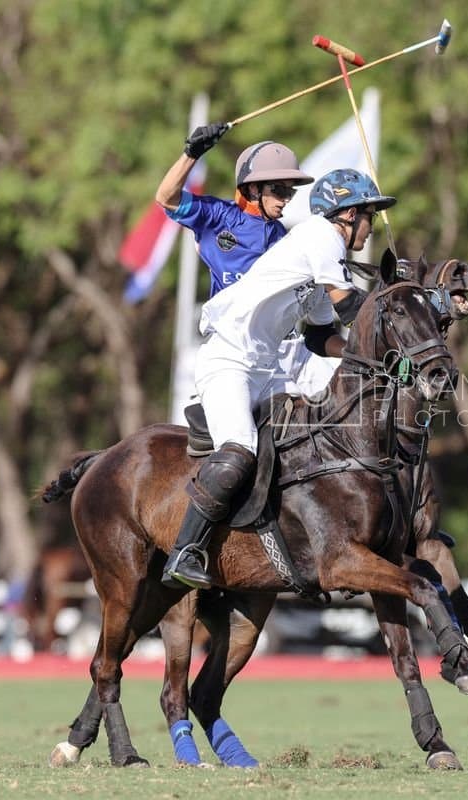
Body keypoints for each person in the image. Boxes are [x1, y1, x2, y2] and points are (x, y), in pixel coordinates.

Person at [161, 168, 394, 590]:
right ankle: (186, 549)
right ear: (349, 214)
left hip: (270, 369)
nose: (370, 227)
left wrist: (371, 359)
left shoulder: (328, 263)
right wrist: (400, 301)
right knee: (239, 450)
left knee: (323, 430)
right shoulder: (321, 236)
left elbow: (322, 335)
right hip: (229, 360)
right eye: (369, 217)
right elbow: (349, 309)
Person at [155, 123, 314, 297]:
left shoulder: (280, 234)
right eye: (280, 190)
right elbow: (166, 198)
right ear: (254, 188)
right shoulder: (217, 216)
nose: (286, 199)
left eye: (290, 191)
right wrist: (191, 154)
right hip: (223, 323)